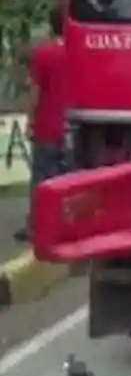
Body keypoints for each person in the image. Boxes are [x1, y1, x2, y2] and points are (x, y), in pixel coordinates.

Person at [18, 35, 69, 241]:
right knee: (70, 180)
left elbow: (35, 92)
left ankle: (38, 228)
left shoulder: (44, 53)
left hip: (47, 127)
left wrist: (30, 120)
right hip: (75, 128)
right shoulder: (82, 51)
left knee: (42, 180)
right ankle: (67, 227)